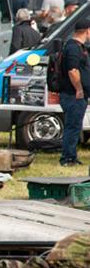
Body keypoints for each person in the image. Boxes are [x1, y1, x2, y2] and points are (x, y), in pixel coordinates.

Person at [58, 19, 90, 167]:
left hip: (77, 95)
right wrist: (79, 89)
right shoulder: (73, 48)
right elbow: (73, 70)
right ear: (87, 31)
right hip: (73, 94)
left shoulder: (79, 47)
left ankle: (71, 155)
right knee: (72, 126)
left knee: (75, 126)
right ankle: (67, 158)